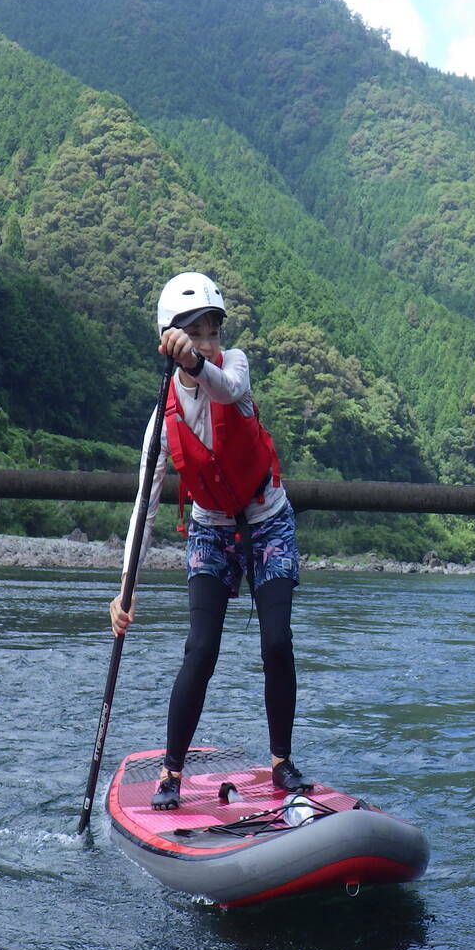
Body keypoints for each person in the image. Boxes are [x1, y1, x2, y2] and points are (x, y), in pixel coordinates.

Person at [109, 271, 310, 810]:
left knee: (276, 642)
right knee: (201, 648)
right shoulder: (162, 420)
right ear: (169, 340)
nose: (207, 342)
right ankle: (171, 771)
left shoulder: (233, 366)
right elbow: (145, 508)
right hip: (210, 531)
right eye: (194, 334)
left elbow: (228, 388)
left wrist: (198, 362)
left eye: (212, 332)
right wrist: (126, 589)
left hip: (268, 521)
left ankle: (281, 761)